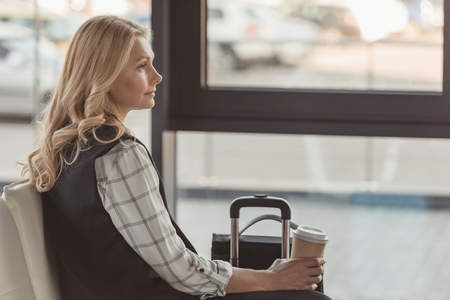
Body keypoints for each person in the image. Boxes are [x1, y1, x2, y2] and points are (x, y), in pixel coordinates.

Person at [20, 15, 331, 300]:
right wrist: (271, 278)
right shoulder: (120, 156)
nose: (157, 77)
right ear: (105, 77)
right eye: (142, 66)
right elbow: (181, 270)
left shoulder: (66, 150)